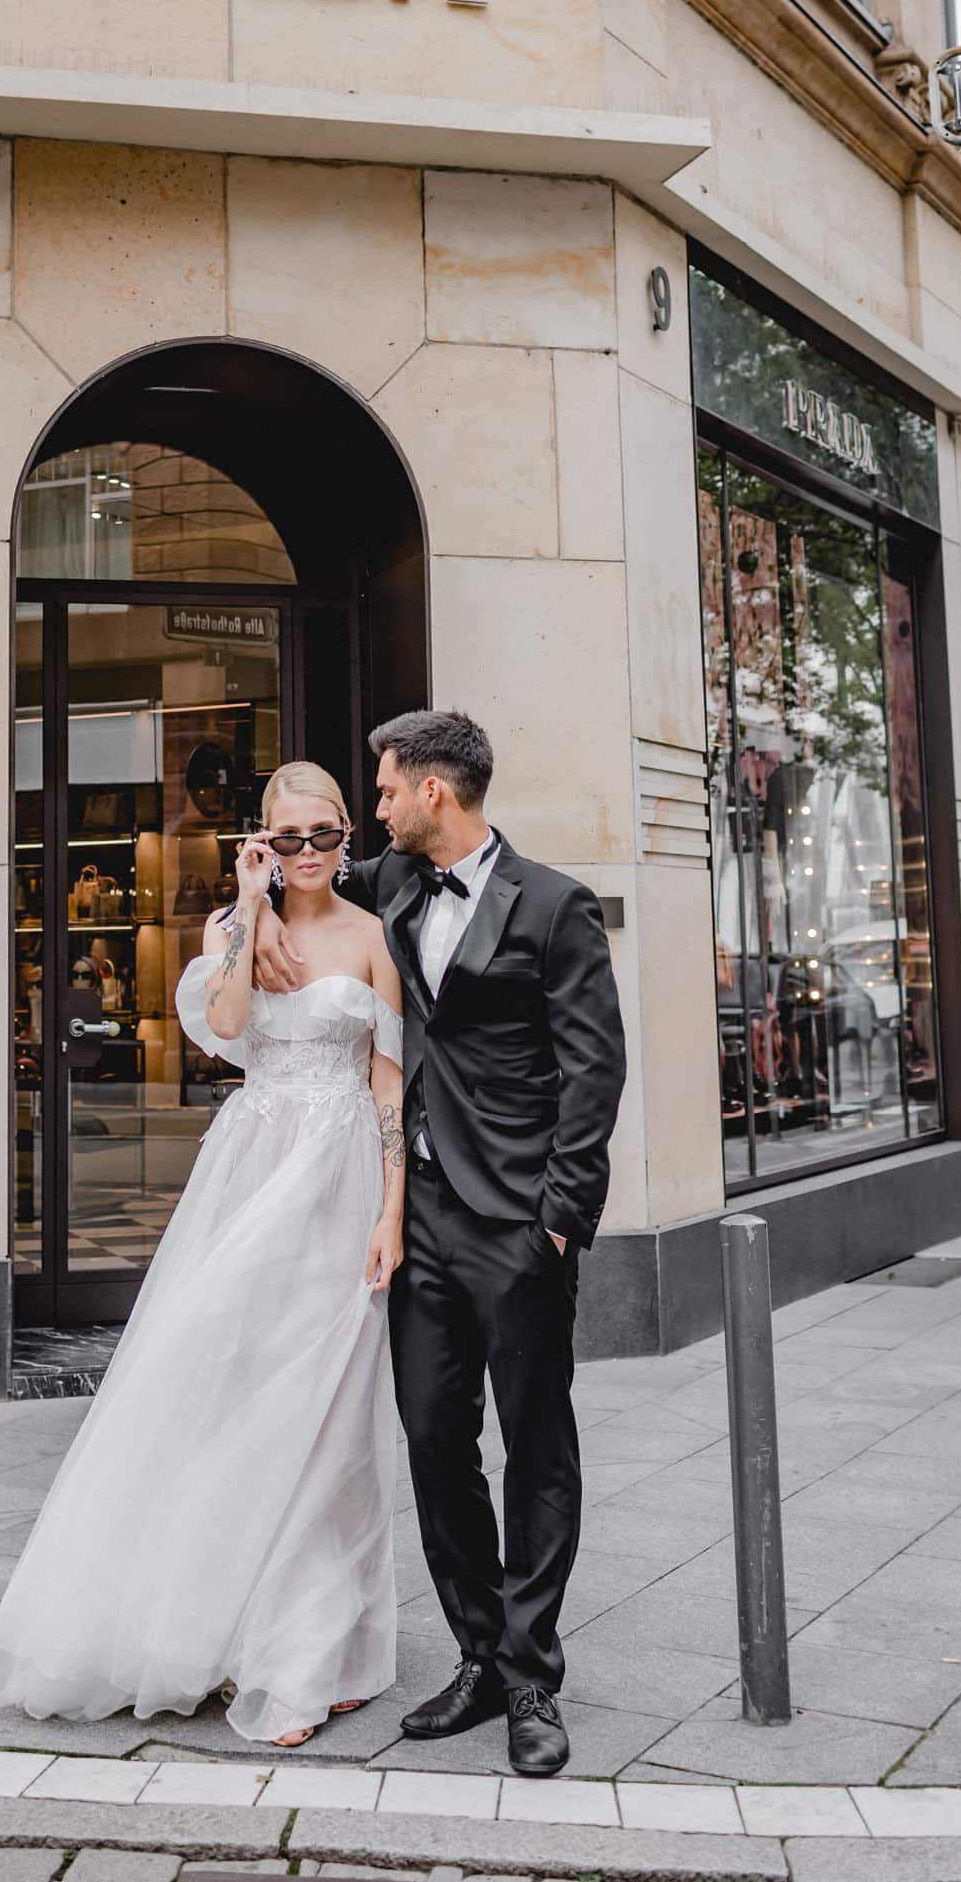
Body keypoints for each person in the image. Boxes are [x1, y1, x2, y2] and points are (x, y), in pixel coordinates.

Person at [0, 761, 406, 1750]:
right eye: (286, 837)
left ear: (347, 836)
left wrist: (391, 1210)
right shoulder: (229, 929)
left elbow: (388, 1083)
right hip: (253, 1170)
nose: (306, 852)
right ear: (262, 841)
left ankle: (320, 1648)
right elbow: (227, 1026)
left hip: (341, 1176)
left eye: (323, 834)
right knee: (234, 1384)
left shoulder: (373, 937)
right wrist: (248, 908)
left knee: (333, 1410)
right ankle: (224, 1625)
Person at [251, 710, 626, 1778]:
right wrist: (254, 887)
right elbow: (305, 863)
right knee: (431, 1436)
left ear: (432, 791)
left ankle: (531, 1678)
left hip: (517, 1223)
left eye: (383, 791)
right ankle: (477, 1655)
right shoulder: (394, 884)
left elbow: (594, 1069)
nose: (371, 810)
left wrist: (560, 1217)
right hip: (415, 1216)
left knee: (536, 1445)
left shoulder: (553, 904)